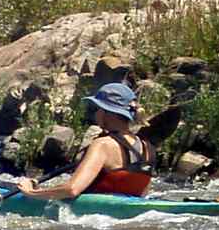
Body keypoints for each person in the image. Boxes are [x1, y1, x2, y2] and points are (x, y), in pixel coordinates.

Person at [17, 83, 156, 200]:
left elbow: (72, 190)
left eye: (97, 109)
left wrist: (31, 193)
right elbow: (142, 194)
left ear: (108, 112)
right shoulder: (148, 147)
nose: (95, 114)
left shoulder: (102, 145)